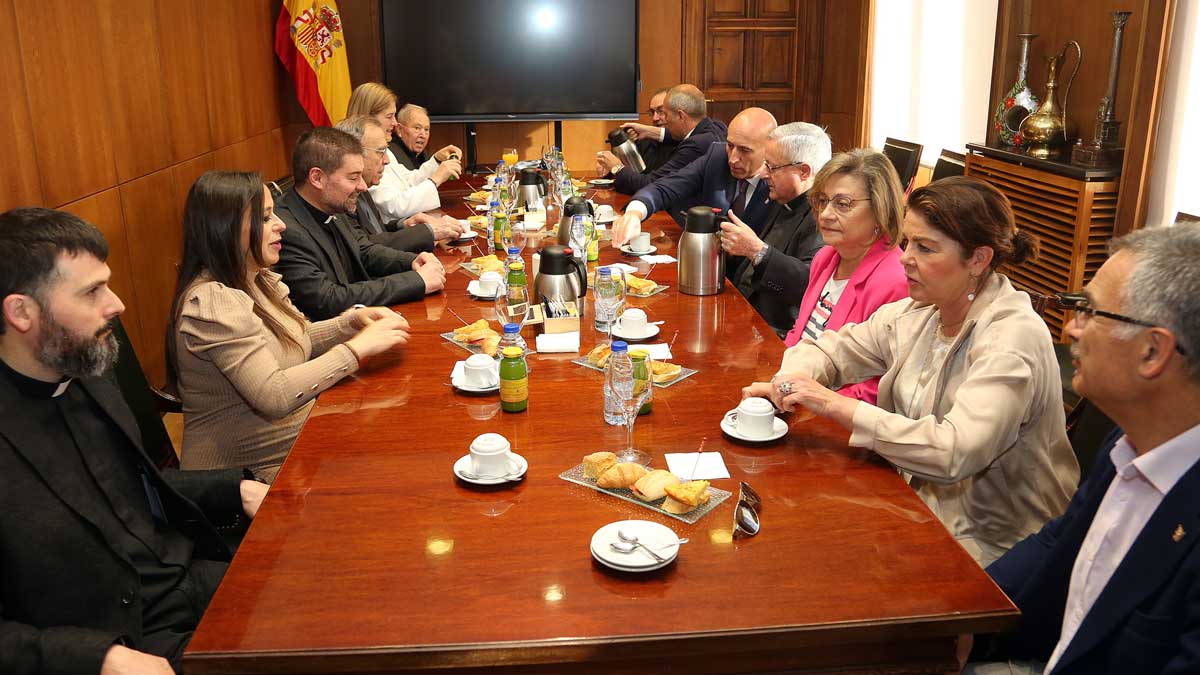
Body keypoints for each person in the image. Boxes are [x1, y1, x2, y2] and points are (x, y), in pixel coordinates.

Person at [744, 177, 1079, 565]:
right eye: (906, 242)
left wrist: (831, 404)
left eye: (925, 247)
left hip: (998, 545)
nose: (904, 258)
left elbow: (955, 450)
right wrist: (789, 382)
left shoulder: (1012, 336)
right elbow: (831, 349)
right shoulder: (923, 309)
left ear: (978, 259)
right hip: (916, 503)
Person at [0, 207, 267, 674]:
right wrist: (97, 657)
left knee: (335, 602)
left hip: (187, 579)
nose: (117, 304)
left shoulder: (88, 370)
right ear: (21, 311)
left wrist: (235, 488)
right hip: (117, 637)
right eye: (92, 292)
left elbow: (132, 487)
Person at [967, 222, 1200, 675]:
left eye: (1090, 312)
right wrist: (961, 618)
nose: (1071, 330)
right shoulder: (1126, 440)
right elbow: (1060, 541)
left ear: (1154, 352)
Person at [168, 171, 410, 483]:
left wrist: (350, 322)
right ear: (226, 229)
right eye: (266, 218)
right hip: (248, 477)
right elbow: (274, 394)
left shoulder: (255, 277)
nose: (281, 224)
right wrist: (357, 348)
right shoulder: (214, 304)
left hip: (295, 444)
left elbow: (294, 338)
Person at [274, 126, 446, 321]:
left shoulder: (329, 204)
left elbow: (363, 251)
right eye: (353, 177)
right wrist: (416, 281)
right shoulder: (285, 229)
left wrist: (411, 262)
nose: (363, 186)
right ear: (317, 178)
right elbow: (328, 300)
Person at [779, 148, 910, 403]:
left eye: (842, 204)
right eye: (823, 201)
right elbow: (799, 334)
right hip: (795, 391)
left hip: (834, 414)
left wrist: (812, 400)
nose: (826, 214)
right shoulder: (826, 257)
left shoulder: (896, 282)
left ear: (880, 209)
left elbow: (880, 388)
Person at [721, 121, 829, 336]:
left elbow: (808, 284)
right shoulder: (783, 198)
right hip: (744, 313)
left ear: (804, 171)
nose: (763, 174)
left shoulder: (823, 216)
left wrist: (756, 251)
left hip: (773, 332)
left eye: (771, 167)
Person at [611, 107, 776, 247]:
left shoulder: (779, 183)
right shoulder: (717, 157)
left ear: (768, 149)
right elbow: (662, 188)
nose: (732, 158)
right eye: (730, 145)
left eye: (745, 150)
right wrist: (634, 213)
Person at [334, 115, 467, 252]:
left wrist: (403, 224)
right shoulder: (340, 197)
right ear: (355, 154)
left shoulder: (363, 188)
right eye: (380, 152)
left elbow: (375, 233)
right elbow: (365, 249)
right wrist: (426, 233)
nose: (387, 160)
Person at [345, 83, 463, 221]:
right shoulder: (361, 156)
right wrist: (436, 179)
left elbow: (407, 181)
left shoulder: (385, 150)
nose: (395, 123)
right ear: (369, 116)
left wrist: (436, 161)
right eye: (389, 116)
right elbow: (395, 206)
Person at [596, 84, 728, 195]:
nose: (657, 118)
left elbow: (651, 184)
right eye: (652, 112)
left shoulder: (695, 144)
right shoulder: (715, 127)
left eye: (664, 113)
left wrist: (617, 168)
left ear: (681, 116)